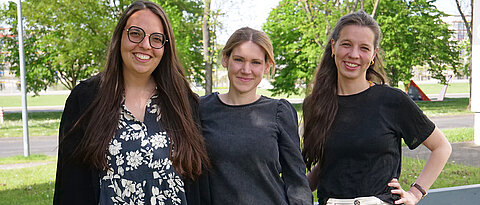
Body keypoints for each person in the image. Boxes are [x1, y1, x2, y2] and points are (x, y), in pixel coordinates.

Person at [53, 1, 209, 204]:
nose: (145, 45)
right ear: (120, 37)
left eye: (156, 39)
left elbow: (198, 179)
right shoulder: (85, 99)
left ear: (165, 47)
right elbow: (70, 187)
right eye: (135, 34)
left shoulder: (183, 101)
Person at [302, 11, 452, 205]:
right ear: (333, 47)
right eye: (346, 44)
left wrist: (416, 192)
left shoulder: (392, 100)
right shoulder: (314, 105)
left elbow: (441, 147)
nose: (354, 54)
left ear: (373, 55)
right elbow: (328, 165)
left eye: (364, 48)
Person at [198, 27, 313, 205]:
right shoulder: (201, 109)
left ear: (267, 66)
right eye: (238, 60)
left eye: (255, 62)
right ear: (225, 59)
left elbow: (296, 181)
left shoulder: (279, 112)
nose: (246, 69)